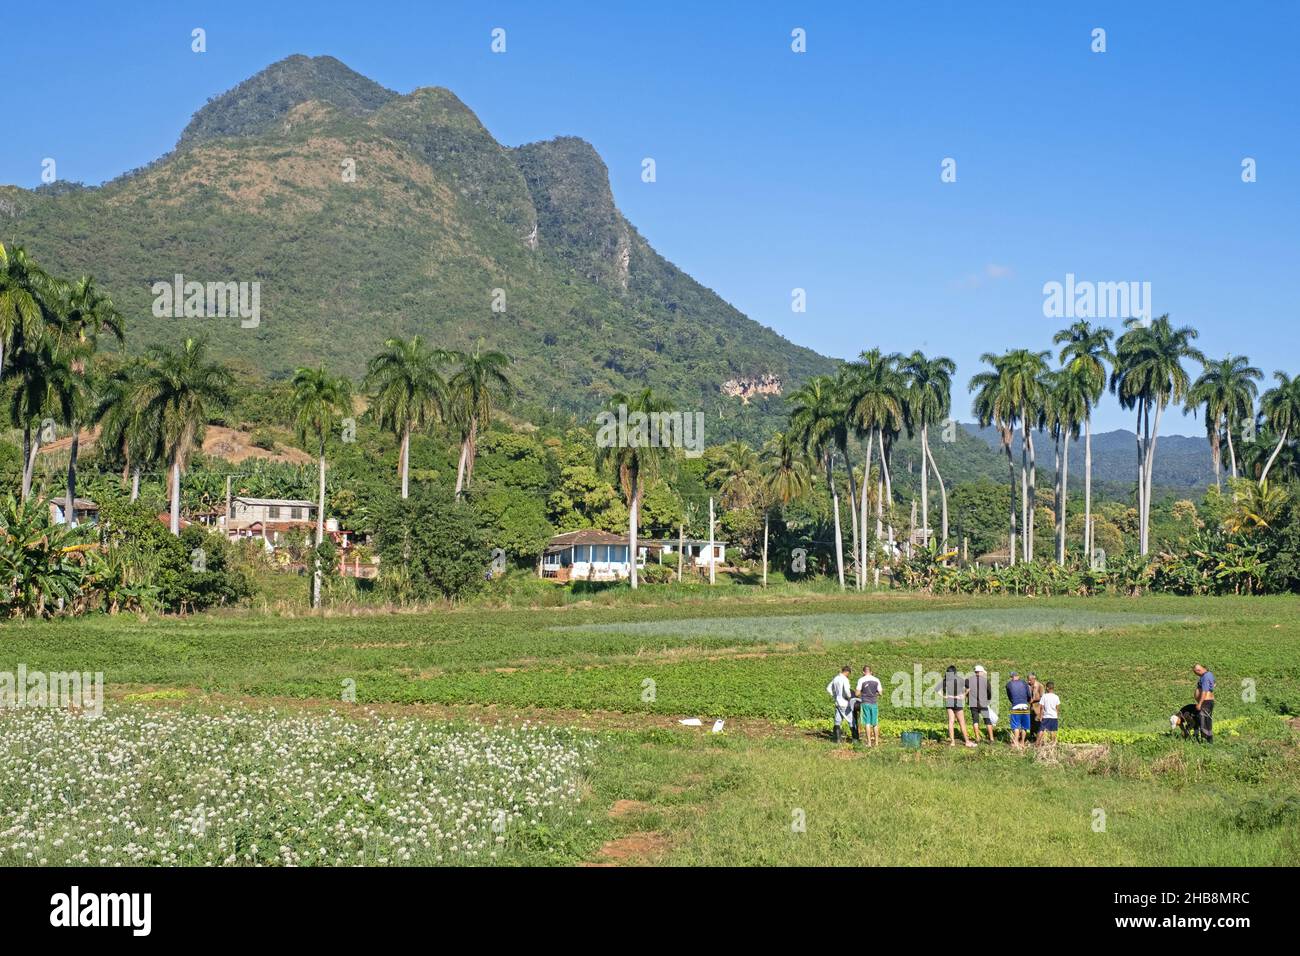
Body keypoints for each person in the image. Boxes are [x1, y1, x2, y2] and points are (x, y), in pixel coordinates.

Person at [942, 665, 975, 747]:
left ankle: (952, 742)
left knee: (951, 722)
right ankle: (967, 742)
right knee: (962, 722)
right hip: (957, 702)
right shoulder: (959, 679)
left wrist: (945, 696)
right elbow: (969, 688)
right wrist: (964, 695)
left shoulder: (945, 680)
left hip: (949, 701)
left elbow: (938, 690)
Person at [855, 666, 883, 747]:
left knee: (867, 723)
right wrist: (874, 694)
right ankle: (877, 743)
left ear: (863, 672)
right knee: (875, 723)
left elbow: (857, 694)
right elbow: (880, 693)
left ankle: (869, 743)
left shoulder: (861, 680)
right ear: (871, 671)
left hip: (865, 703)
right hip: (874, 703)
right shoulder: (876, 680)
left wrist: (863, 693)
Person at [967, 665, 995, 744]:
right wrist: (988, 700)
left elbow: (965, 687)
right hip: (983, 703)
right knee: (987, 720)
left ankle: (977, 738)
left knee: (975, 721)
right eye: (983, 672)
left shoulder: (969, 680)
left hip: (973, 704)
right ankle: (991, 739)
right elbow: (989, 692)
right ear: (980, 672)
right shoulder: (985, 681)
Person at [827, 666, 854, 743]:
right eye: (849, 674)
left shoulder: (836, 678)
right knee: (851, 721)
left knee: (837, 721)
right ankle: (855, 739)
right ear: (847, 672)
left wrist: (835, 696)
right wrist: (849, 697)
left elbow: (828, 688)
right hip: (844, 703)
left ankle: (838, 740)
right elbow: (847, 691)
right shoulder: (845, 679)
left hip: (837, 702)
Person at [1005, 670, 1031, 750]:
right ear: (1018, 676)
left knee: (1016, 726)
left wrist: (1013, 702)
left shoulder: (1008, 684)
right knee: (1024, 726)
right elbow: (1029, 695)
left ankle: (1015, 742)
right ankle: (1022, 742)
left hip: (1016, 706)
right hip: (1025, 706)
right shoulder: (1024, 683)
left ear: (1011, 677)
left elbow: (1009, 696)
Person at [1193, 663, 1215, 744]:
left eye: (1196, 673)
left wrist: (1200, 703)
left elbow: (1204, 691)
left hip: (1205, 701)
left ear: (1198, 670)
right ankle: (1208, 740)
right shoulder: (1209, 674)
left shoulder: (1205, 677)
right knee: (1207, 720)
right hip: (1208, 701)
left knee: (1204, 720)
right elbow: (1214, 683)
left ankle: (1206, 740)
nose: (1196, 675)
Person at [1037, 681, 1061, 749]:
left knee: (1041, 730)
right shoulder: (1056, 697)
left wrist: (1041, 716)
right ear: (1053, 688)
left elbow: (1041, 707)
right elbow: (1057, 708)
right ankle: (1053, 744)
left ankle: (1037, 744)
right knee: (1053, 730)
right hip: (1054, 716)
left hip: (1046, 716)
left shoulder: (1044, 696)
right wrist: (1057, 715)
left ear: (1047, 688)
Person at [1026, 672, 1045, 741]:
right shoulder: (1028, 686)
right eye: (1028, 680)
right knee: (1031, 724)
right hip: (1031, 708)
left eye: (1030, 680)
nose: (1028, 681)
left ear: (1034, 679)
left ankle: (1038, 740)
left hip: (1038, 709)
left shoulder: (1040, 686)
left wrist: (1033, 700)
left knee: (1037, 724)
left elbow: (1043, 697)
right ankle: (1032, 738)